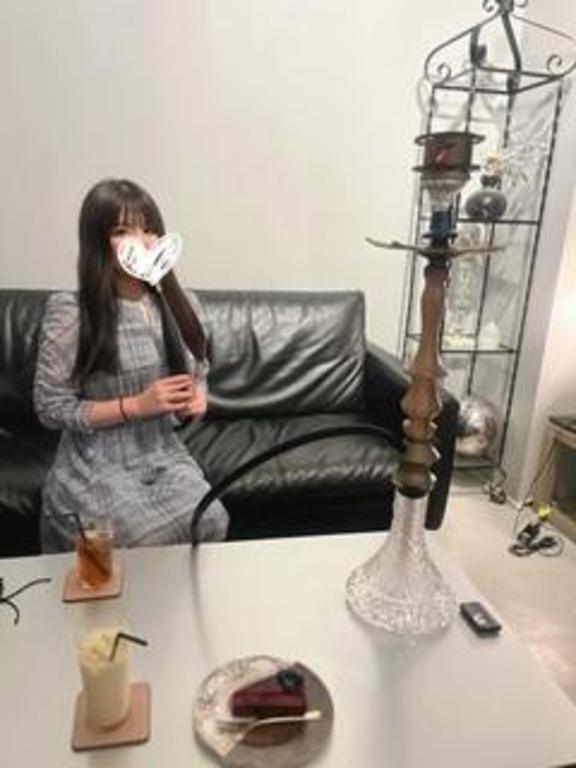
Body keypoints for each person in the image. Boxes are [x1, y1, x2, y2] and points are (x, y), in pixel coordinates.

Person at [34, 178, 229, 552]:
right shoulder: (72, 313)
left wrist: (199, 395)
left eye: (148, 229)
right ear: (97, 241)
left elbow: (200, 366)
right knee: (139, 541)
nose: (140, 241)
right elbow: (50, 407)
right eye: (122, 231)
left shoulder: (182, 304)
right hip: (95, 462)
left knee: (213, 519)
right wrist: (136, 405)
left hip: (163, 452)